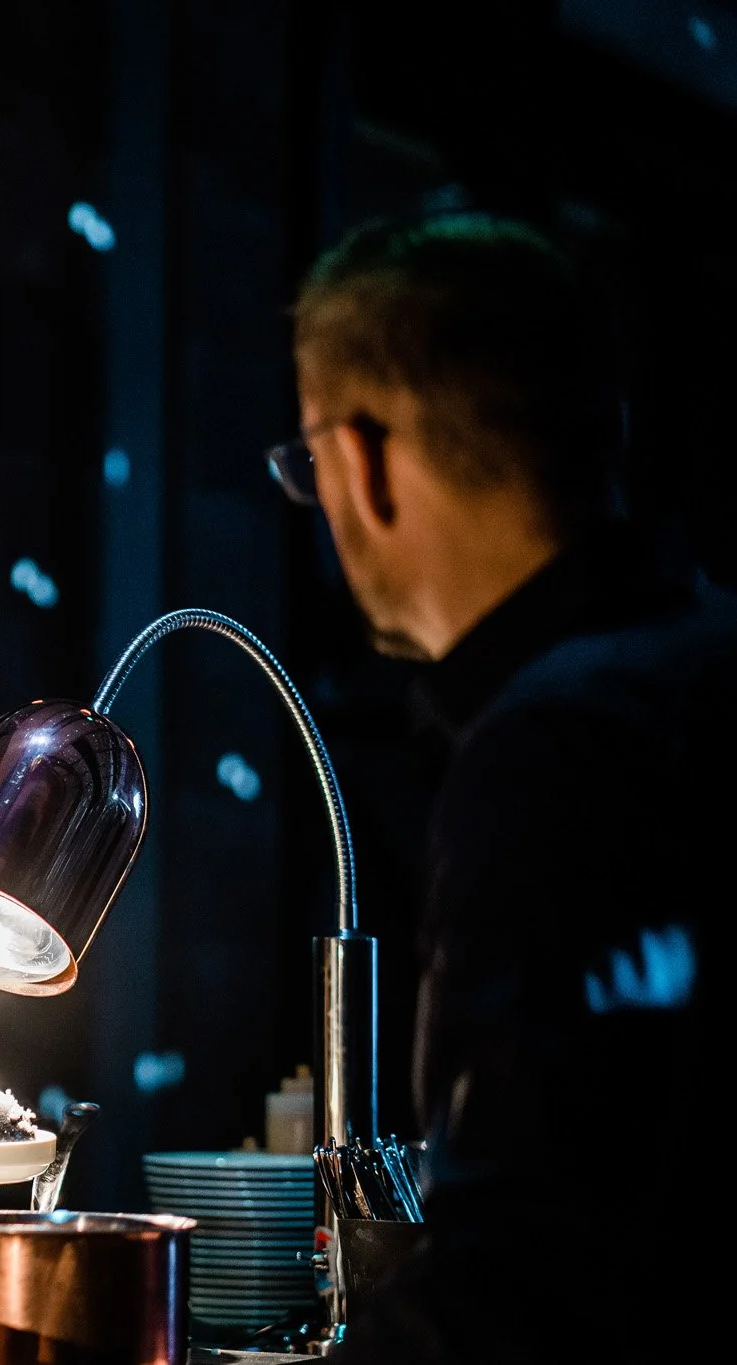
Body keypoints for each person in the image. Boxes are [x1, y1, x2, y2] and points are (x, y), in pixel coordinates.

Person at [279, 214, 724, 1362]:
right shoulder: (696, 661)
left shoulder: (556, 753)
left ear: (366, 462)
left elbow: (525, 1277)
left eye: (306, 465)